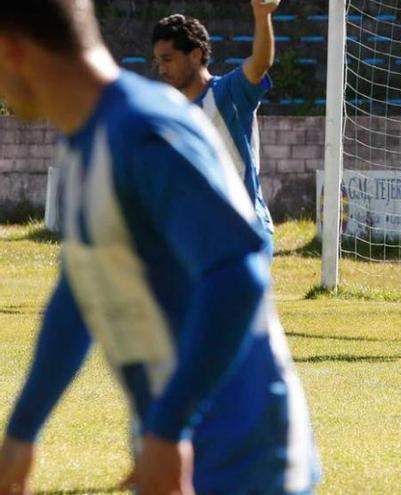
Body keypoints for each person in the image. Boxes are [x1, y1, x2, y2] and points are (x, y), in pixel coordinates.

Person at [0, 1, 319, 494]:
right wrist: (23, 430)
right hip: (175, 440)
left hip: (240, 452)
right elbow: (79, 292)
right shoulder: (85, 141)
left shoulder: (144, 129)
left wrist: (169, 427)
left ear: (13, 51)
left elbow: (239, 274)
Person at [152, 1, 277, 249]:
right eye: (158, 61)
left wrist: (262, 17)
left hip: (243, 233)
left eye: (167, 59)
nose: (161, 69)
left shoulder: (227, 93)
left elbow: (259, 64)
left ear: (196, 54)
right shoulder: (169, 113)